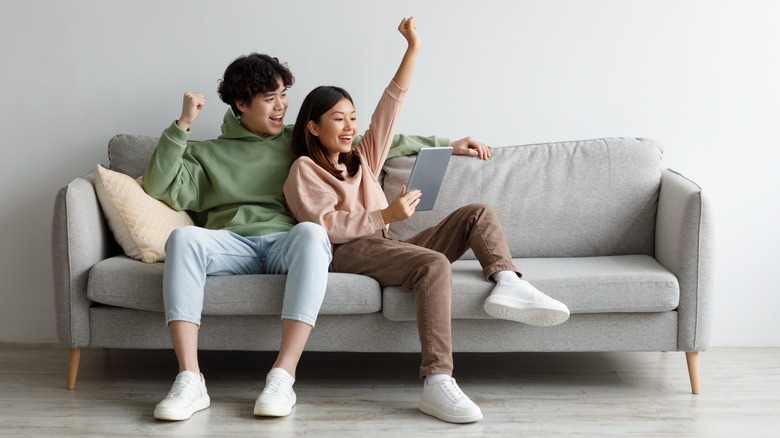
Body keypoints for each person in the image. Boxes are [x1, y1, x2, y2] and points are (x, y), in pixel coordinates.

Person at [143, 50, 492, 420]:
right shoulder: (207, 156)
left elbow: (374, 138)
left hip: (289, 243)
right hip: (231, 244)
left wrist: (446, 144)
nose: (280, 107)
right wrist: (181, 126)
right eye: (269, 99)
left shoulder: (298, 140)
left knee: (312, 232)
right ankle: (189, 377)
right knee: (181, 239)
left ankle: (282, 375)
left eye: (282, 95)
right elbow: (158, 185)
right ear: (241, 104)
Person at [284, 17, 571, 424]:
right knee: (433, 264)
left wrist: (412, 49)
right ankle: (437, 381)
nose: (350, 126)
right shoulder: (304, 170)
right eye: (338, 118)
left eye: (352, 117)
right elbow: (323, 226)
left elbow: (391, 105)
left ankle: (508, 283)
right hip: (348, 252)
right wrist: (386, 213)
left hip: (387, 244)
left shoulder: (363, 158)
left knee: (477, 213)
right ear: (313, 126)